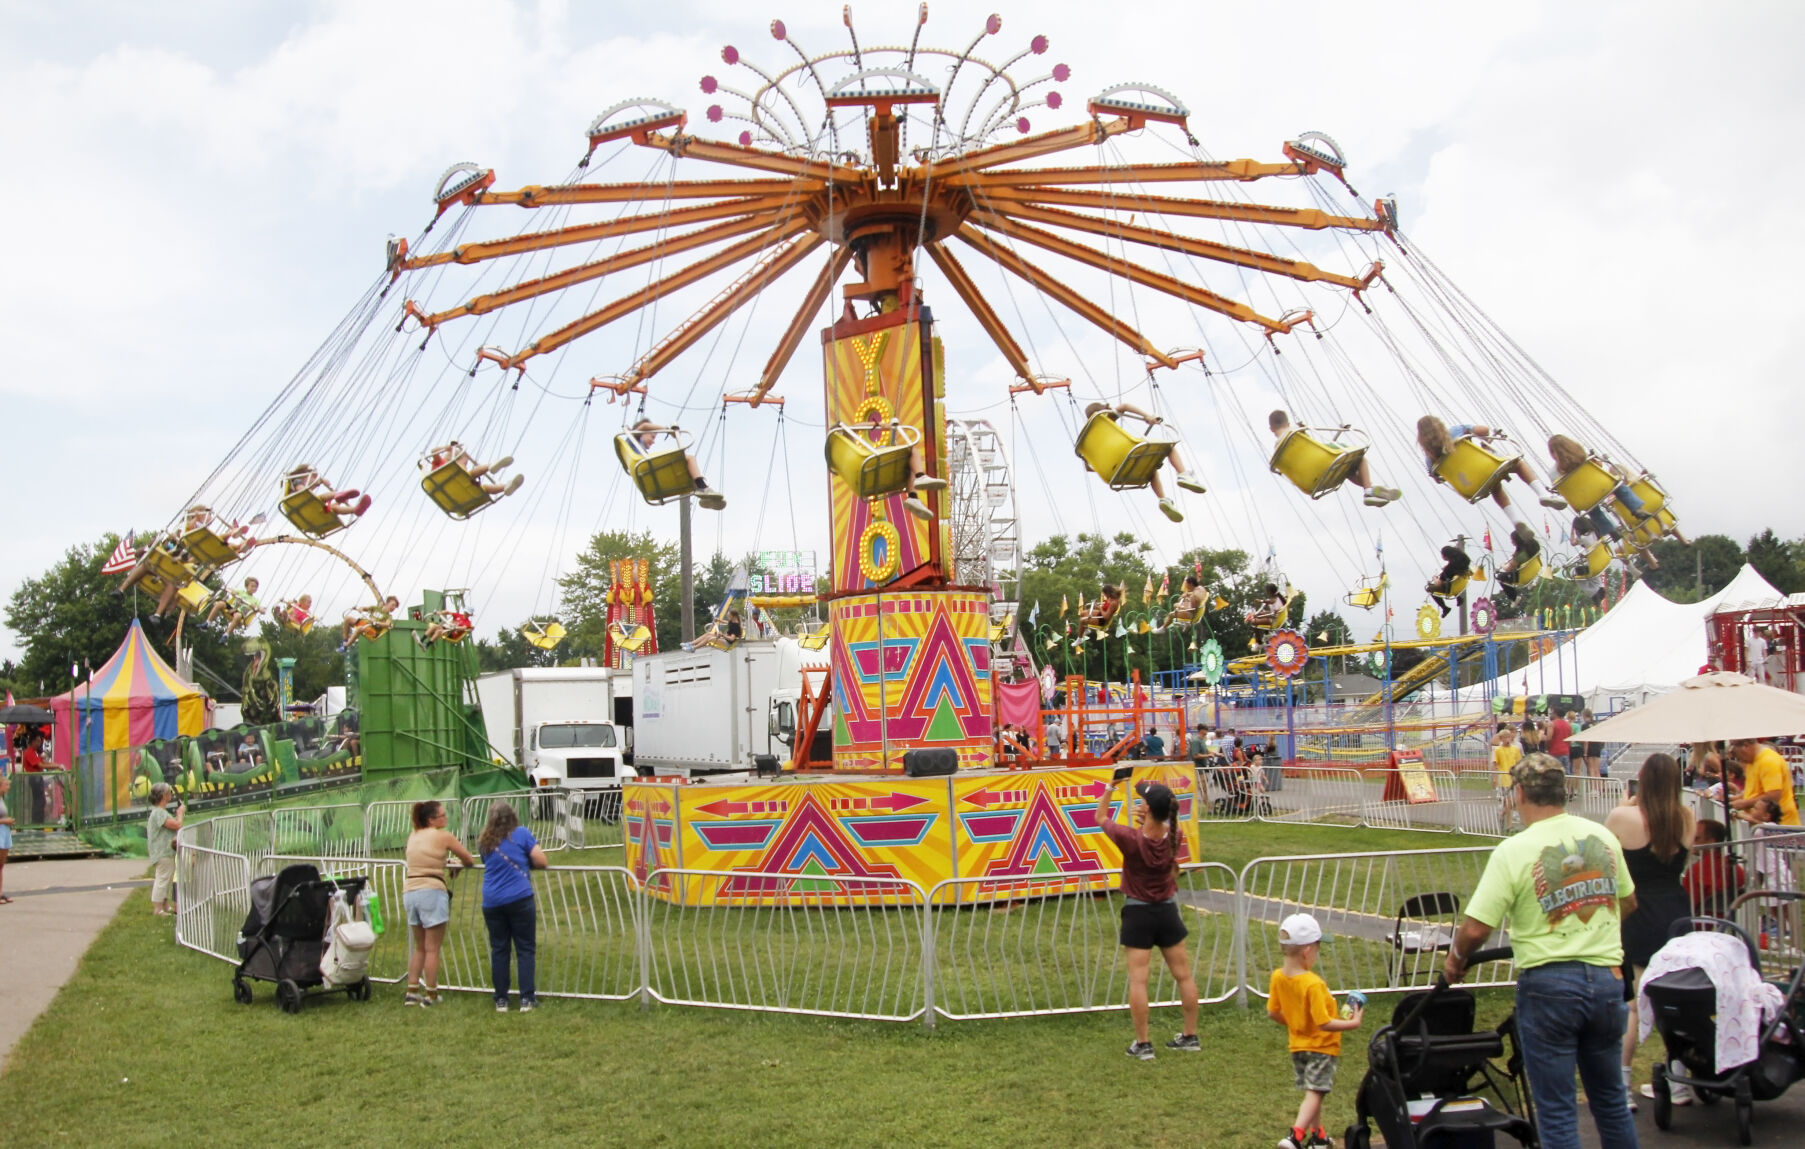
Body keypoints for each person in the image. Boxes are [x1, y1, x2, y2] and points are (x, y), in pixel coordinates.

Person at [1443, 754, 1640, 1149]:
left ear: (1518, 794)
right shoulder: (1600, 836)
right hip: (1606, 980)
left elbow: (1477, 927)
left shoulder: (1515, 850)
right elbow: (1629, 902)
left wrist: (1456, 959)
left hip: (1550, 984)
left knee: (1557, 1109)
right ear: (1563, 790)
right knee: (1610, 1099)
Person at [1605, 753, 1695, 1107]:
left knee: (1634, 1004)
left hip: (1638, 910)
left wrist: (1623, 806)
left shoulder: (1622, 816)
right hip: (1675, 908)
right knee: (1676, 998)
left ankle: (1622, 1087)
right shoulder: (1686, 817)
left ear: (1642, 779)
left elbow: (1605, 851)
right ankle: (1680, 1083)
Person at [1091, 777, 1200, 1059]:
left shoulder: (1131, 838)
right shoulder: (1175, 835)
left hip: (1138, 912)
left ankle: (1143, 1043)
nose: (1138, 804)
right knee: (1184, 976)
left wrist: (1110, 788)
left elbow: (1100, 816)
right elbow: (1159, 833)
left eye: (1142, 802)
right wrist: (1147, 819)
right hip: (1167, 910)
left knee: (1139, 980)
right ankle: (1190, 1035)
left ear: (1149, 809)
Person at [1267, 912, 1365, 1149]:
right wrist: (1352, 1023)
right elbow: (1324, 1022)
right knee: (1316, 1093)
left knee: (1313, 1092)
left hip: (1298, 1046)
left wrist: (1295, 1022)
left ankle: (1318, 1136)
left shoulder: (1278, 977)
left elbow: (1273, 1011)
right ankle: (1295, 1135)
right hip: (1322, 1047)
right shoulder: (1313, 984)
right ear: (1307, 951)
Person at [403, 799, 476, 1006]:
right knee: (433, 947)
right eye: (442, 815)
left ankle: (412, 990)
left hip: (410, 890)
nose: (446, 818)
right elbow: (468, 859)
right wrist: (456, 864)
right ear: (432, 819)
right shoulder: (443, 836)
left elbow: (424, 858)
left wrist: (443, 862)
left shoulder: (414, 835)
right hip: (432, 890)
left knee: (420, 947)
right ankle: (431, 993)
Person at [1081, 401, 1205, 523]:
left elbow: (1088, 468)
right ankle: (1183, 474)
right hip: (1129, 452)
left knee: (1150, 471)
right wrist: (1147, 416)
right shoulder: (1105, 418)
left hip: (1116, 471)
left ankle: (1163, 499)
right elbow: (1124, 406)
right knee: (1169, 448)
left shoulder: (1089, 440)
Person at [478, 802, 548, 1012]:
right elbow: (542, 860)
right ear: (513, 816)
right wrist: (526, 862)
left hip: (492, 901)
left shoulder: (484, 841)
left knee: (499, 949)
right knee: (525, 948)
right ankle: (527, 998)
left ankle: (501, 999)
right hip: (519, 897)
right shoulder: (521, 834)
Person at [1417, 415, 1566, 512]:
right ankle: (1542, 493)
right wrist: (1485, 443)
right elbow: (1484, 430)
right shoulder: (1456, 431)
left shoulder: (1430, 460)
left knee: (1493, 483)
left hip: (1471, 484)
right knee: (1518, 463)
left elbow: (1437, 478)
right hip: (1485, 467)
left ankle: (1516, 522)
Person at [1268, 410, 1401, 507]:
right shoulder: (1295, 431)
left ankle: (1371, 491)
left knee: (1347, 470)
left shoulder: (1277, 454)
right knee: (1357, 458)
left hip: (1309, 482)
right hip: (1324, 463)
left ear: (1271, 428)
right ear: (1288, 422)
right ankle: (1369, 490)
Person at [1545, 434, 1650, 537]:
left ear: (1552, 453)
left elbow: (1561, 490)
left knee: (1592, 510)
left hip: (1584, 498)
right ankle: (1636, 509)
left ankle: (1610, 530)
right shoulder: (1583, 456)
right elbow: (1599, 465)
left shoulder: (1553, 473)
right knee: (1619, 488)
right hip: (1602, 487)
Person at [621, 420, 726, 510]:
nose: (653, 441)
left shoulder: (637, 451)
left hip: (650, 482)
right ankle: (703, 488)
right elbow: (644, 426)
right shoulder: (632, 439)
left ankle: (705, 496)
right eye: (652, 437)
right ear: (642, 433)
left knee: (688, 475)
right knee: (689, 459)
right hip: (649, 473)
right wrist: (668, 430)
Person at [1679, 819, 1743, 922]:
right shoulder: (1735, 868)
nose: (1692, 842)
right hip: (1727, 924)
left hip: (1697, 925)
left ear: (1711, 842)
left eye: (1696, 838)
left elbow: (1687, 905)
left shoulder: (1697, 871)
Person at [1728, 738, 1799, 826]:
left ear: (1746, 746)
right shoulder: (1752, 761)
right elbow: (1755, 791)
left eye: (1736, 753)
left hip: (1780, 826)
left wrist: (1743, 804)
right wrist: (1734, 799)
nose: (1738, 758)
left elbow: (1773, 796)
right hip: (1763, 825)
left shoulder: (1768, 761)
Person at [425, 441, 525, 499]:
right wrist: (447, 448)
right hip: (447, 483)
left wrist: (459, 452)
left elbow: (464, 459)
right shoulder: (440, 463)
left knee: (485, 488)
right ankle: (490, 466)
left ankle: (506, 487)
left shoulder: (459, 467)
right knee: (472, 475)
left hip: (459, 491)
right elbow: (434, 452)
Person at [147, 783, 186, 916]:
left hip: (166, 852)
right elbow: (177, 824)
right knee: (162, 879)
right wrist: (180, 813)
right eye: (169, 793)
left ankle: (165, 905)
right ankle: (158, 909)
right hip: (162, 852)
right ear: (164, 796)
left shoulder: (161, 813)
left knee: (167, 879)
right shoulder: (158, 813)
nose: (171, 795)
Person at [284, 464, 372, 519]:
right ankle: (339, 496)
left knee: (333, 509)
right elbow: (302, 491)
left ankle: (355, 509)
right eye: (313, 477)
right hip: (297, 505)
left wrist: (320, 481)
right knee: (321, 498)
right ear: (304, 475)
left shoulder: (306, 488)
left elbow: (308, 490)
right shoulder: (297, 482)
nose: (315, 480)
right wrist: (320, 481)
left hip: (310, 511)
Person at [1494, 524, 1542, 607]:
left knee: (1499, 576)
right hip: (1535, 570)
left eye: (1512, 540)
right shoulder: (1532, 548)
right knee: (1508, 574)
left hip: (1523, 577)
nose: (1511, 542)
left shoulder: (1521, 555)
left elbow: (1508, 568)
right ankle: (1532, 582)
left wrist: (1502, 565)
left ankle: (1514, 598)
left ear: (1517, 541)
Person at [1424, 545, 1472, 618]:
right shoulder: (1464, 561)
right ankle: (1458, 598)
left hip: (1450, 589)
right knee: (1453, 581)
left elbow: (1439, 583)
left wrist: (1435, 578)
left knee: (1429, 588)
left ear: (1446, 556)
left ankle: (1445, 608)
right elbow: (1454, 569)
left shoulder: (1448, 569)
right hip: (1461, 584)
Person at [1576, 710, 1603, 779]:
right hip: (1597, 747)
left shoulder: (1585, 726)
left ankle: (1593, 787)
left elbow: (1586, 741)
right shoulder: (1596, 724)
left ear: (1584, 716)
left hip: (1590, 748)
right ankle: (1599, 788)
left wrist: (1585, 753)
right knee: (1597, 770)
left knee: (1591, 769)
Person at [0, 772, 13, 905]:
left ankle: (0, 892)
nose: (8, 787)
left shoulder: (2, 799)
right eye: (6, 784)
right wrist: (5, 821)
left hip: (4, 833)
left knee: (1, 865)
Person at [1547, 708, 1573, 772]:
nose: (1550, 714)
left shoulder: (1552, 724)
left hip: (1555, 752)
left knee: (1555, 773)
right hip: (1566, 752)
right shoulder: (1568, 725)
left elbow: (1549, 738)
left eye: (1552, 713)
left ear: (1555, 714)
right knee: (1566, 774)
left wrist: (1547, 747)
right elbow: (1570, 739)